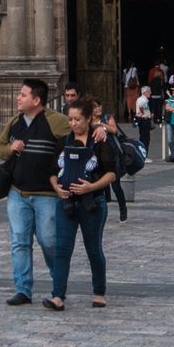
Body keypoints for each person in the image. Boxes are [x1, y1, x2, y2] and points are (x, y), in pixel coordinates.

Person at [46, 98, 118, 310]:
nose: (73, 123)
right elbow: (51, 172)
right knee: (62, 248)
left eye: (77, 119)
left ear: (88, 118)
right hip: (66, 202)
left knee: (93, 248)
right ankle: (57, 296)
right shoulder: (63, 142)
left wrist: (91, 187)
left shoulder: (100, 141)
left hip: (92, 202)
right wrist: (56, 187)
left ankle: (99, 292)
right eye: (70, 119)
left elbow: (112, 173)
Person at [1, 78, 64, 306]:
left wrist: (101, 131)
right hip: (18, 193)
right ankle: (23, 289)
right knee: (19, 241)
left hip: (47, 194)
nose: (18, 98)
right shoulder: (15, 122)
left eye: (23, 94)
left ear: (36, 100)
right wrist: (10, 148)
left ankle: (58, 285)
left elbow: (80, 129)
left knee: (48, 241)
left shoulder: (57, 122)